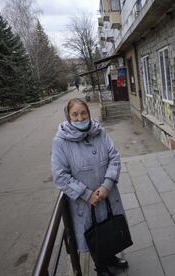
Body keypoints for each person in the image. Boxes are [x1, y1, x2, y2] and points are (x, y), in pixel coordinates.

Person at [51, 98, 128, 276]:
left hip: (107, 193)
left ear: (89, 113)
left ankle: (111, 257)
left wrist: (107, 184)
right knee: (94, 232)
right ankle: (100, 266)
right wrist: (86, 194)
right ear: (68, 117)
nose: (80, 118)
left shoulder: (99, 132)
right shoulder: (60, 141)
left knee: (110, 225)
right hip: (85, 202)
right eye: (75, 114)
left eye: (83, 113)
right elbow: (60, 175)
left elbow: (114, 157)